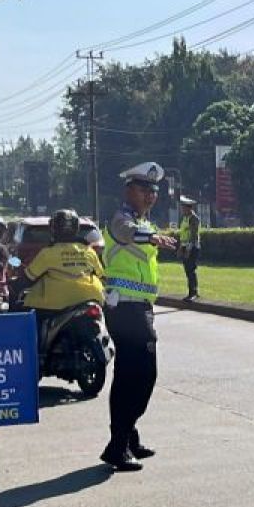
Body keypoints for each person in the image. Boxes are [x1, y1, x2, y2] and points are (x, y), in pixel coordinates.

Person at [99, 162, 178, 472]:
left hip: (138, 306)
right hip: (126, 308)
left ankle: (127, 439)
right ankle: (117, 445)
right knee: (144, 374)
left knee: (129, 375)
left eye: (154, 190)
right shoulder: (122, 219)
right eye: (145, 189)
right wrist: (152, 238)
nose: (151, 195)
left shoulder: (143, 222)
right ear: (129, 190)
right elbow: (126, 233)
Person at [11, 209, 105, 333]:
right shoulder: (88, 251)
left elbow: (27, 279)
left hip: (55, 305)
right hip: (92, 298)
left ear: (53, 229)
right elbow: (102, 276)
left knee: (31, 325)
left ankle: (37, 351)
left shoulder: (48, 253)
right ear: (76, 229)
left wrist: (14, 285)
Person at [178, 195, 202, 300]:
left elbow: (193, 236)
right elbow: (183, 234)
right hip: (185, 246)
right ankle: (190, 292)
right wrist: (180, 247)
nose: (182, 209)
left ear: (189, 208)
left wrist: (188, 249)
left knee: (191, 270)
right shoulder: (185, 218)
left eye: (184, 207)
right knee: (187, 271)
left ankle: (194, 293)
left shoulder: (194, 219)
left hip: (191, 247)